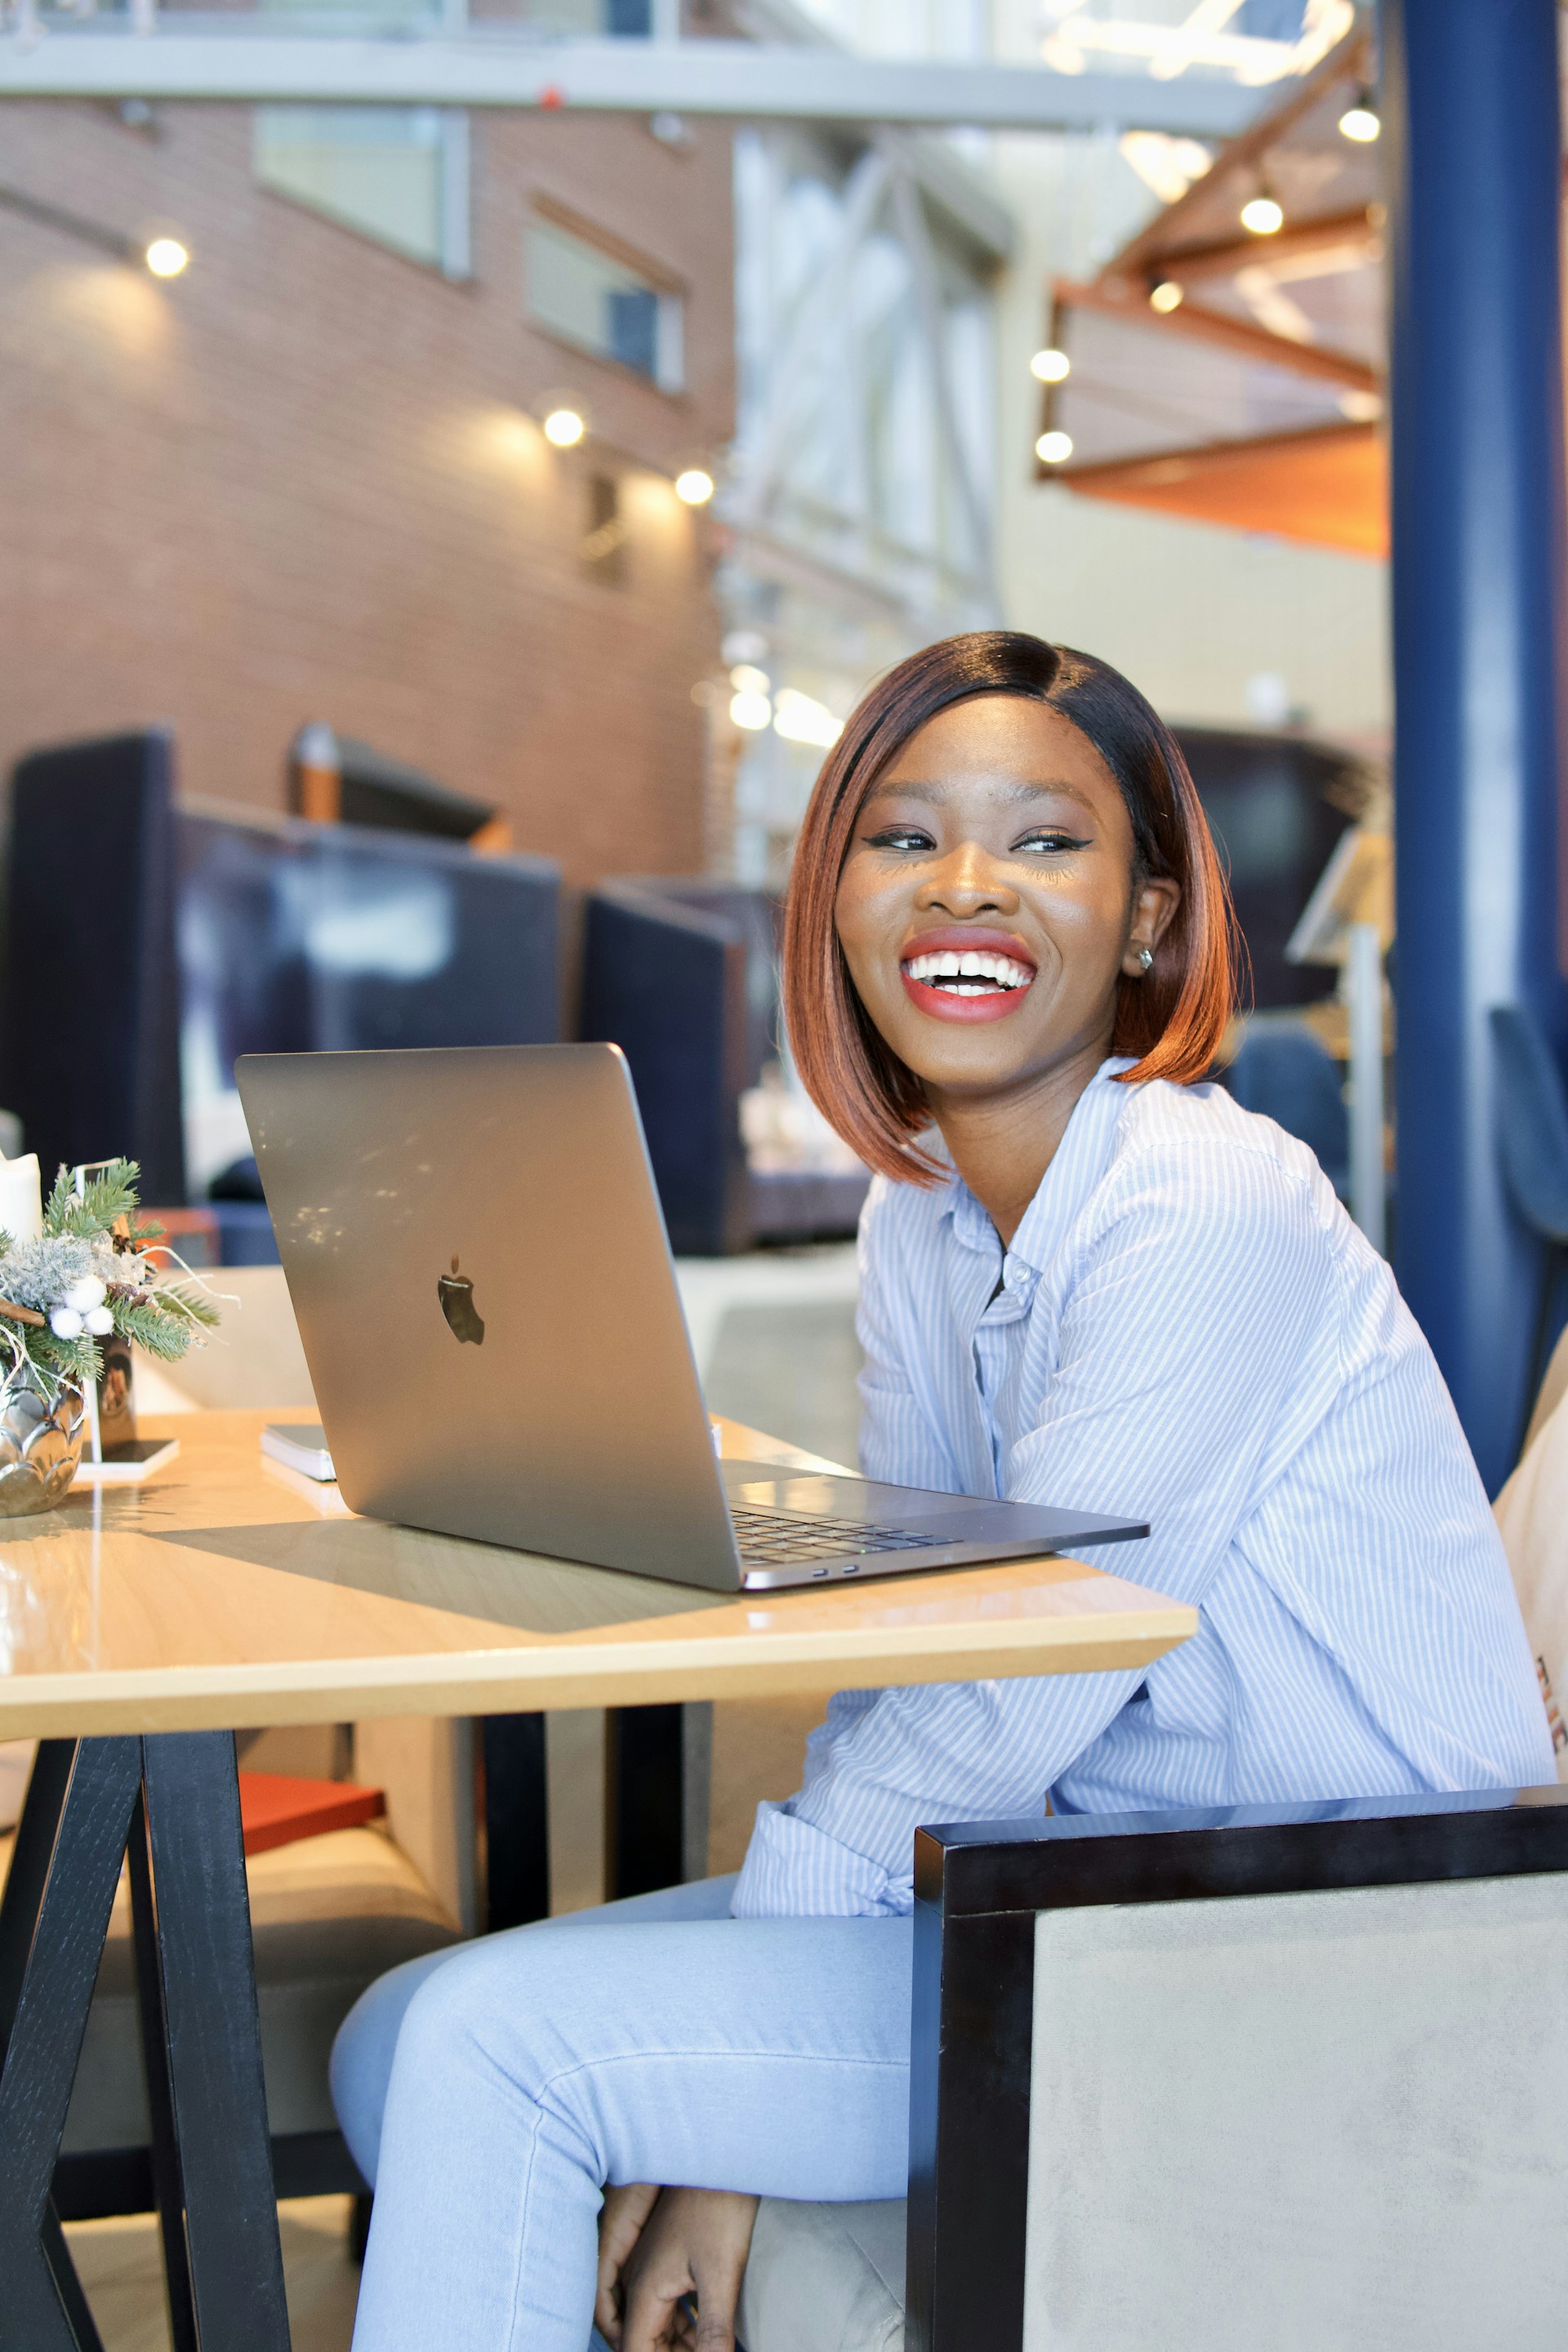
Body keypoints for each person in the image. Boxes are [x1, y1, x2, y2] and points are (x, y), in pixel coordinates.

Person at [332, 633, 1552, 2352]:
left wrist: (723, 2136)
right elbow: (926, 1628)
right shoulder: (918, 1219)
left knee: (489, 2049)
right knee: (399, 2032)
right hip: (1074, 1886)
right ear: (833, 898)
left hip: (1323, 1944)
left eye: (1045, 842)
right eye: (902, 840)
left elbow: (1007, 1682)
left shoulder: (1206, 1205)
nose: (963, 886)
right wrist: (746, 2047)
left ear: (1147, 920)